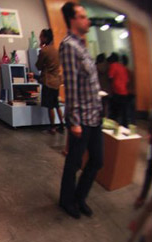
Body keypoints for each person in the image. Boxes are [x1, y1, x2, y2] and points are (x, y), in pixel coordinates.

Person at [58, 2, 103, 219]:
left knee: (97, 160)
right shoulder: (69, 46)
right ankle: (67, 201)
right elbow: (72, 85)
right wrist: (74, 120)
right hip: (81, 118)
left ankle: (79, 198)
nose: (88, 20)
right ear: (73, 20)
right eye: (83, 16)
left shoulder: (82, 45)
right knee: (74, 162)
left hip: (95, 115)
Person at [36, 28, 64, 134]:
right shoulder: (56, 50)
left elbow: (38, 65)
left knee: (50, 106)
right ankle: (61, 125)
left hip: (48, 81)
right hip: (56, 81)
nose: (40, 38)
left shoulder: (44, 51)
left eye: (41, 36)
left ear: (45, 38)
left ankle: (52, 127)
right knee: (56, 105)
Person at [108, 52, 130, 127]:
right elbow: (127, 80)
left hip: (116, 92)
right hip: (124, 92)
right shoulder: (123, 67)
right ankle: (125, 127)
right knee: (124, 113)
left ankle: (112, 128)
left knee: (114, 112)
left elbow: (110, 77)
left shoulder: (113, 65)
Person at [122, 54, 136, 125]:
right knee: (130, 109)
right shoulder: (130, 70)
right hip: (132, 92)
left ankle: (127, 124)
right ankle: (132, 124)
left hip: (127, 91)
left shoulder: (125, 70)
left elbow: (126, 81)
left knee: (126, 109)